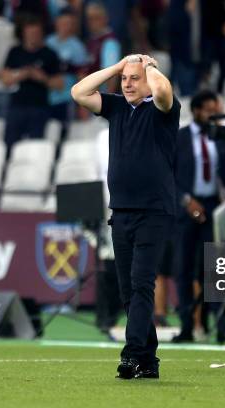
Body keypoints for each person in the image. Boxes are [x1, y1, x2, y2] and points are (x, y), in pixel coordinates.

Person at [71, 54, 180, 379]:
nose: (128, 84)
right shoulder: (117, 108)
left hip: (153, 210)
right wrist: (118, 67)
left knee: (141, 284)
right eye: (124, 80)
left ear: (148, 79)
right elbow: (78, 92)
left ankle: (132, 354)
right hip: (120, 211)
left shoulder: (162, 111)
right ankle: (149, 360)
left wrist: (148, 67)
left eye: (135, 79)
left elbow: (162, 92)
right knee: (127, 291)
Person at [172, 89, 225, 343]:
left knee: (216, 269)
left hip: (214, 208)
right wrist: (187, 201)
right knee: (184, 269)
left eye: (216, 110)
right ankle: (187, 325)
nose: (213, 115)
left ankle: (222, 325)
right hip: (185, 210)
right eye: (209, 110)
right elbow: (169, 175)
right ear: (196, 111)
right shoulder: (178, 138)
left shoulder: (220, 137)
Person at [0, 16, 63, 157]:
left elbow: (59, 84)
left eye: (37, 33)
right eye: (30, 33)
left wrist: (42, 78)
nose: (33, 36)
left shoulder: (49, 54)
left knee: (35, 146)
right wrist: (23, 74)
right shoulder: (14, 52)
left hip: (39, 107)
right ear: (23, 33)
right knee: (10, 145)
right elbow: (5, 79)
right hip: (16, 106)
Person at [45, 7, 89, 126]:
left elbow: (82, 76)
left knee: (64, 132)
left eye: (69, 24)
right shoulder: (48, 42)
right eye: (63, 23)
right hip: (45, 97)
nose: (66, 26)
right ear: (56, 23)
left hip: (66, 97)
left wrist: (83, 105)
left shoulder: (77, 47)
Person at [84, 2, 121, 94]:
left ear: (105, 19)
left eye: (96, 18)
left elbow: (111, 76)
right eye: (90, 19)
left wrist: (107, 103)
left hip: (101, 98)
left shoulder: (109, 42)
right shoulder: (93, 39)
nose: (92, 22)